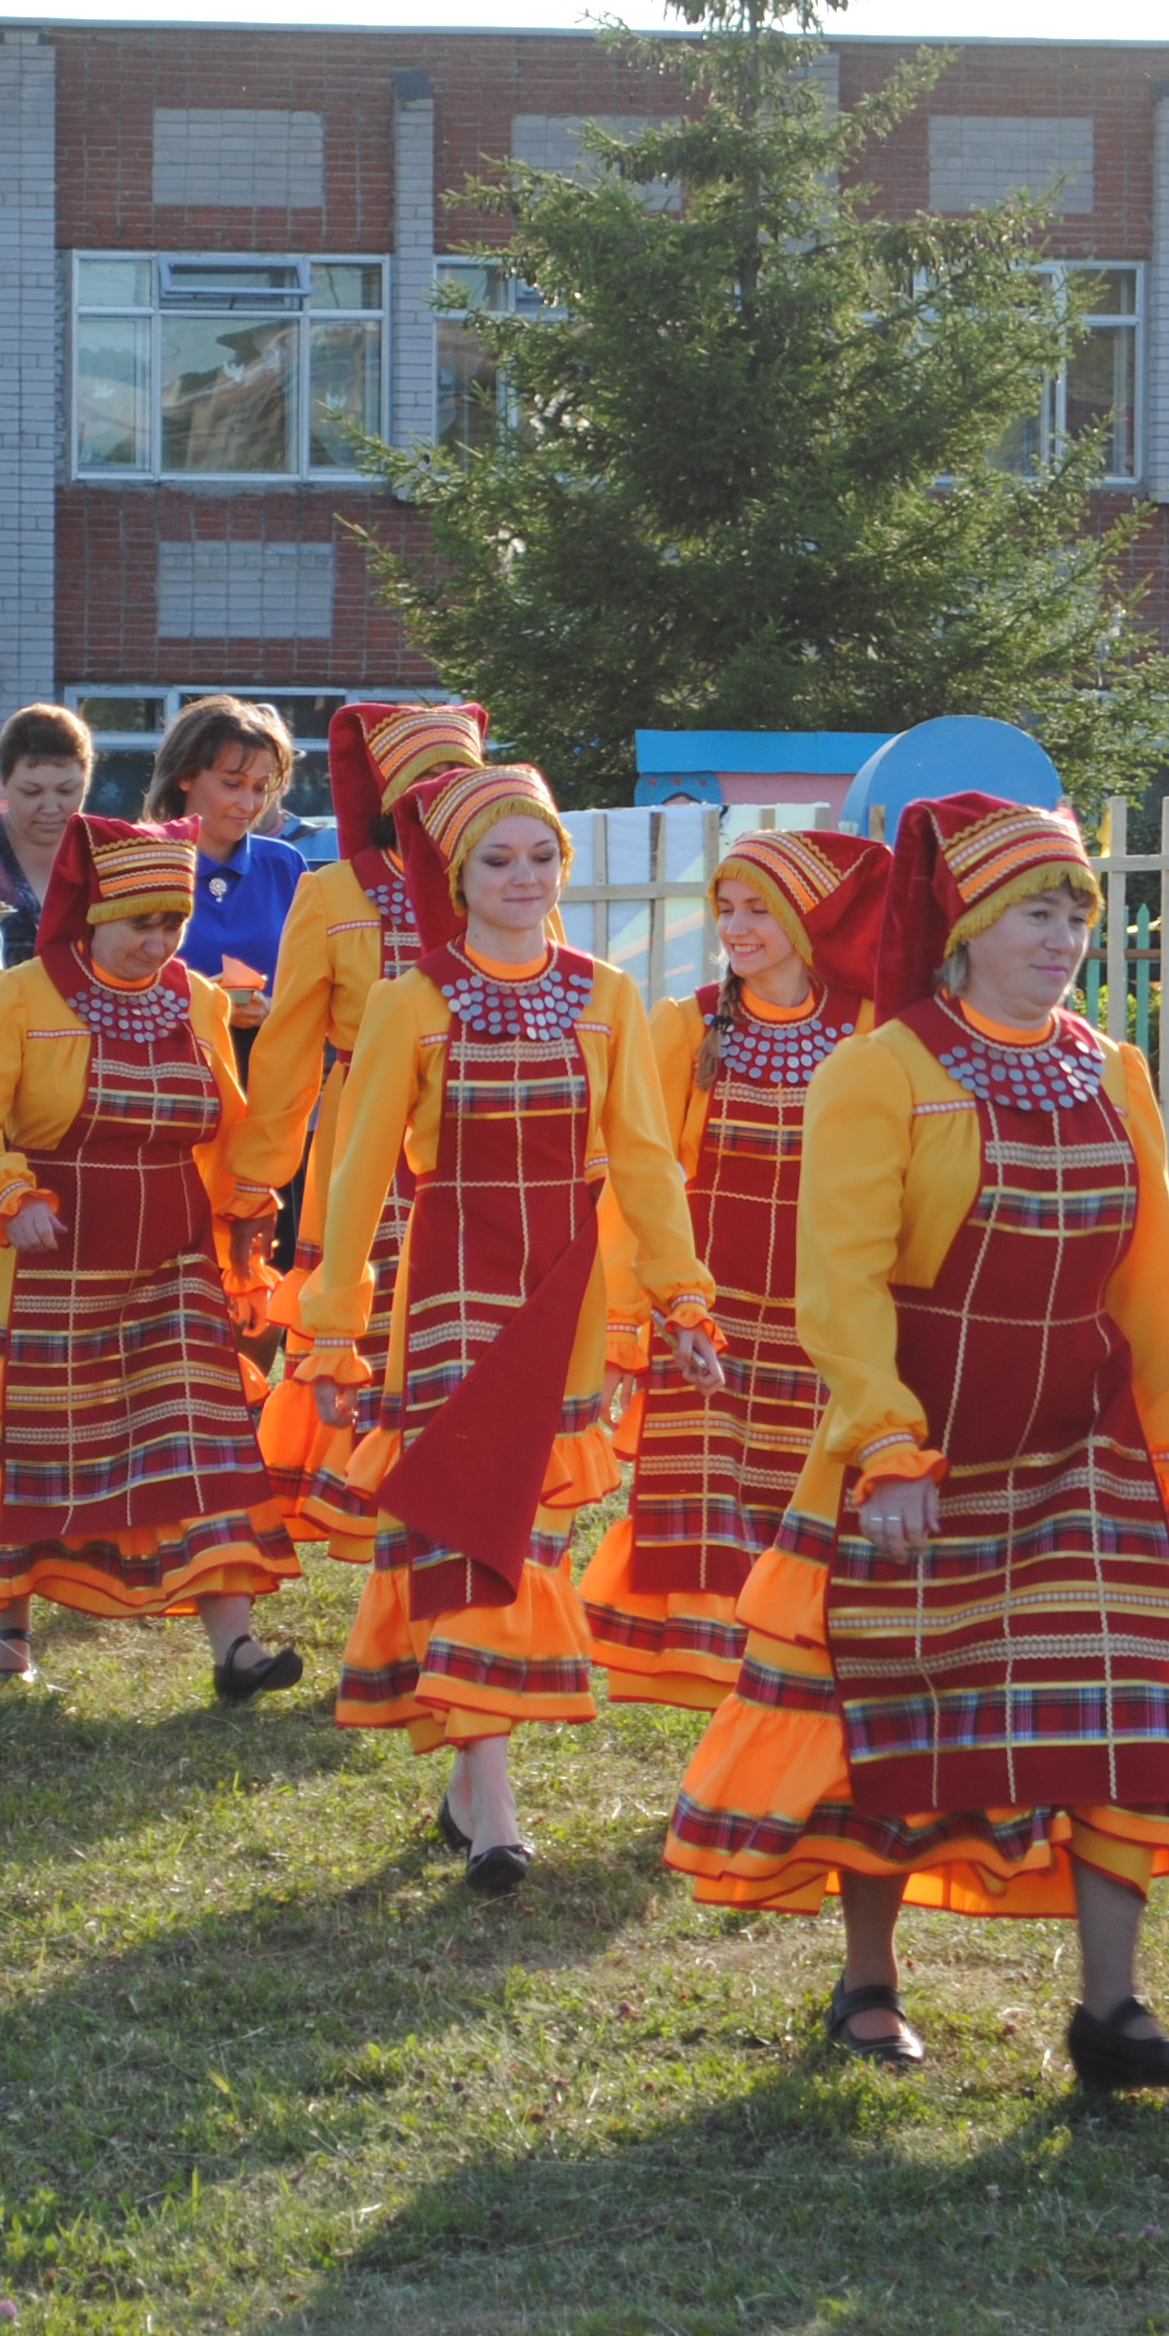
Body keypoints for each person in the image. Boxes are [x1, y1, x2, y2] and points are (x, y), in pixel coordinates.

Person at [665, 794, 1169, 2088]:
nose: (1066, 934)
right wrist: (885, 1445)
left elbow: (1145, 1287)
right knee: (891, 1709)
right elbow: (840, 1279)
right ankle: (869, 1981)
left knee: (1122, 1703)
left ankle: (1112, 2011)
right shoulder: (884, 1067)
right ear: (967, 923)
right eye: (1040, 909)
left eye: (1080, 910)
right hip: (927, 1448)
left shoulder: (1113, 1070)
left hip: (1081, 1444)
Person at [298, 761, 721, 1894]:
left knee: (529, 1529)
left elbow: (641, 1158)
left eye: (540, 858)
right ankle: (493, 1809)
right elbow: (356, 1177)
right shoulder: (412, 999)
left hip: (563, 1294)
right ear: (458, 875)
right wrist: (330, 1330)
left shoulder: (606, 996)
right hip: (442, 1286)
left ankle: (465, 1773)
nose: (522, 878)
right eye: (497, 860)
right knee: (461, 1520)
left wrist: (679, 1297)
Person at [0, 815, 303, 1694]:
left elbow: (229, 1124)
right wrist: (7, 1195)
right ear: (93, 913)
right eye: (141, 920)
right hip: (49, 1264)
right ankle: (8, 1629)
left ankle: (235, 1650)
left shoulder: (200, 1001)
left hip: (174, 1263)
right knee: (28, 1443)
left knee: (203, 1439)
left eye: (173, 921)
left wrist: (248, 1212)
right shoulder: (20, 995)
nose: (159, 941)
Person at [579, 829, 891, 1709]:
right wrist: (628, 1322)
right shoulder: (685, 1023)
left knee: (812, 1511)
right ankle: (728, 1711)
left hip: (829, 1318)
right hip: (711, 1322)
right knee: (718, 1516)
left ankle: (798, 1701)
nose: (737, 927)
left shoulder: (868, 1026)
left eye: (760, 909)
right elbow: (633, 1180)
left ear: (811, 917)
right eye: (726, 908)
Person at [228, 699, 490, 1548]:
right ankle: (376, 1507)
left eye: (463, 784)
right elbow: (289, 1044)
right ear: (391, 796)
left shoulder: (505, 884)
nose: (443, 802)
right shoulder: (333, 892)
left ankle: (453, 1500)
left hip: (480, 1140)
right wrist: (256, 1177)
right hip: (364, 1145)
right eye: (427, 784)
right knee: (369, 1326)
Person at [143, 695, 306, 1043]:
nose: (248, 805)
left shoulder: (285, 865)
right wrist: (202, 1003)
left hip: (267, 1076)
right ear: (184, 776)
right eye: (232, 784)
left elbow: (316, 994)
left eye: (261, 788)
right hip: (164, 1073)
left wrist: (271, 1008)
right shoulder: (138, 860)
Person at [0, 703, 92, 964]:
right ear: (2, 785)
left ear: (86, 782)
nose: (51, 808)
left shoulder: (109, 854)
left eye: (67, 791)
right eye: (31, 792)